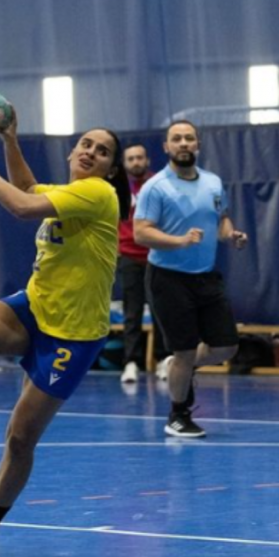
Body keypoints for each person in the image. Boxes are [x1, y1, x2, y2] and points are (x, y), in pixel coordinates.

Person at [0, 114, 131, 557]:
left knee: (20, 440)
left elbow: (20, 206)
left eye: (102, 151)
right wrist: (10, 138)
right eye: (85, 143)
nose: (90, 151)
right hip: (34, 307)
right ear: (72, 150)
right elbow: (29, 187)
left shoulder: (99, 194)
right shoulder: (67, 190)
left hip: (73, 336)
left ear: (110, 169)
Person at [134, 120, 247, 438]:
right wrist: (179, 241)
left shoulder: (212, 182)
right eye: (176, 139)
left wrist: (231, 234)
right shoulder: (155, 187)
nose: (183, 143)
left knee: (225, 348)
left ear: (197, 145)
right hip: (168, 279)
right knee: (183, 350)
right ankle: (177, 416)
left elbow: (221, 218)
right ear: (166, 147)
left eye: (189, 138)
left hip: (206, 277)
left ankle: (179, 369)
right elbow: (142, 232)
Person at [117, 142, 158, 384]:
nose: (135, 162)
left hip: (157, 257)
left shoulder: (158, 185)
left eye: (139, 158)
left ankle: (164, 360)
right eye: (130, 158)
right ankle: (131, 362)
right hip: (129, 257)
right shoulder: (117, 188)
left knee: (160, 311)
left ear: (147, 160)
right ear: (124, 163)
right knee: (131, 312)